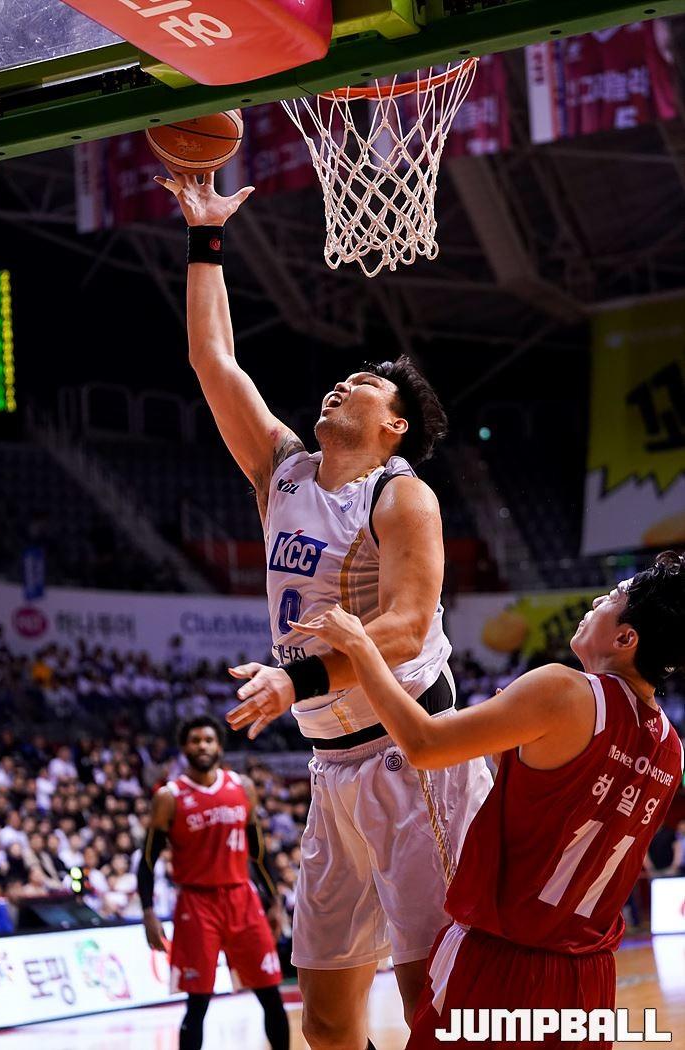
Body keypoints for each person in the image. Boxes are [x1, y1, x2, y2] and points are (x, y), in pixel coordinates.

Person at [154, 171, 492, 1050]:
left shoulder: (402, 495)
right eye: (340, 379)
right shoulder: (284, 472)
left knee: (432, 1004)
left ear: (395, 427)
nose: (342, 386)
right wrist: (204, 237)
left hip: (415, 760)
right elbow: (214, 362)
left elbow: (406, 629)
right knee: (330, 1022)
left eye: (364, 385)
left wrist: (292, 677)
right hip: (331, 766)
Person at [289, 551, 685, 1049]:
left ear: (626, 639)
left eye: (613, 598)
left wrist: (360, 646)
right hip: (588, 980)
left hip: (504, 961)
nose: (598, 601)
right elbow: (560, 808)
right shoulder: (670, 748)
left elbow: (424, 745)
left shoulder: (563, 690)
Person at [139, 715, 289, 1050]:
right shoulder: (169, 797)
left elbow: (259, 853)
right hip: (196, 903)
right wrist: (148, 912)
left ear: (219, 747)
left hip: (242, 897)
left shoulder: (242, 787)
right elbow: (147, 861)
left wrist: (275, 902)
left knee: (270, 994)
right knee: (198, 1003)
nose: (202, 746)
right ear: (184, 748)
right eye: (195, 741)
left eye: (208, 740)